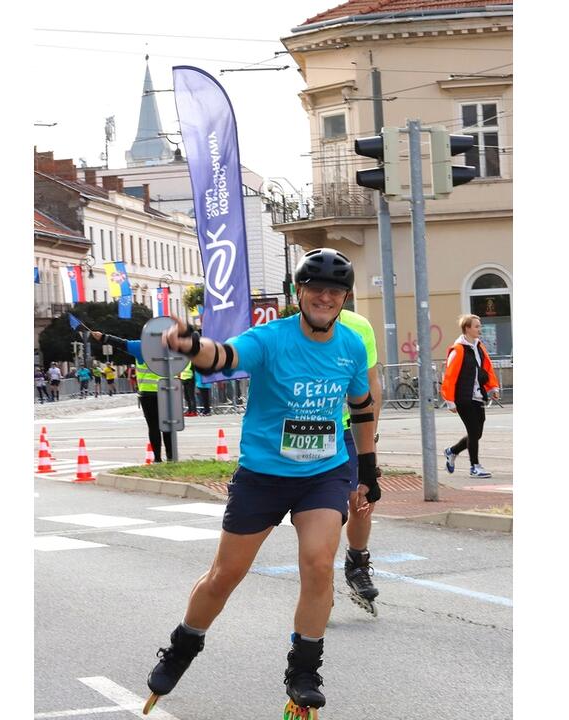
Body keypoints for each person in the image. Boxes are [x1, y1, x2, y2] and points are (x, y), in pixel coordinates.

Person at [142, 248, 379, 719]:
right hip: (264, 476)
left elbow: (362, 406)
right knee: (225, 575)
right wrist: (193, 346)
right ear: (299, 293)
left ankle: (305, 670)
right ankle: (183, 646)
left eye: (335, 291)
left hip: (323, 472)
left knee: (317, 563)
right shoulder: (271, 339)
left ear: (345, 298)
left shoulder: (351, 346)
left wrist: (368, 469)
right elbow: (225, 356)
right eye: (315, 289)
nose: (325, 298)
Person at [336, 308, 384, 615]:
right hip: (313, 429)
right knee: (324, 510)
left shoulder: (358, 326)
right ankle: (316, 575)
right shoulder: (292, 329)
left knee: (363, 498)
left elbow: (372, 383)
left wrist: (372, 439)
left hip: (352, 426)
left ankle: (356, 562)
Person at [90, 331, 174, 463]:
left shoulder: (141, 346)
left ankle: (157, 459)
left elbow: (121, 343)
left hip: (147, 392)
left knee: (153, 427)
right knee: (167, 426)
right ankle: (171, 457)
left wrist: (103, 337)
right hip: (166, 391)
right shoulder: (169, 347)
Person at [440, 314, 501, 478]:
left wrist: (492, 387)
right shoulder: (458, 349)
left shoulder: (479, 347)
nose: (479, 330)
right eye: (476, 326)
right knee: (474, 432)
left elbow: (487, 368)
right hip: (463, 397)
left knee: (477, 433)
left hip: (478, 396)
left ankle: (452, 451)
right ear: (467, 328)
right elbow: (450, 375)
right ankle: (475, 466)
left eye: (480, 326)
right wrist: (450, 400)